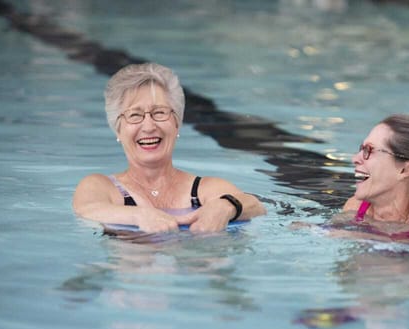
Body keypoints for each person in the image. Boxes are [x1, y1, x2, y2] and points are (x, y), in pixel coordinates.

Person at [73, 63, 266, 233]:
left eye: (159, 113)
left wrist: (226, 206)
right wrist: (139, 216)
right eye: (134, 115)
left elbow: (255, 206)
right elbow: (87, 208)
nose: (148, 126)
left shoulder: (204, 189)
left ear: (177, 124)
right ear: (118, 129)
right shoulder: (100, 187)